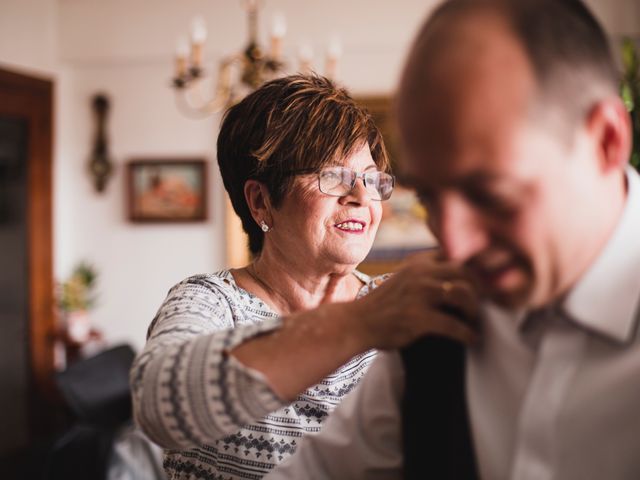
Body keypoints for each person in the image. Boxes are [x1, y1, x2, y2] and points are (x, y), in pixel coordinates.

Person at [265, 1, 640, 479]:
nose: (454, 248)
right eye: (430, 198)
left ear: (607, 141)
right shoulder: (438, 325)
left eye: (490, 194)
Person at [130, 74, 477, 480]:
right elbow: (159, 404)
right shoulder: (209, 302)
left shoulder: (399, 305)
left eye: (371, 179)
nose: (362, 197)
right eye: (332, 177)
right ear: (261, 201)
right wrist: (350, 326)